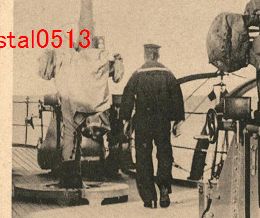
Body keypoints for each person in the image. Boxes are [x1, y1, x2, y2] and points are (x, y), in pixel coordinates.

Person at [39, 39, 124, 188]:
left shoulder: (63, 56)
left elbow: (45, 72)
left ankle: (70, 177)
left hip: (71, 100)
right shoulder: (102, 56)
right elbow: (117, 76)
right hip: (94, 102)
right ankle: (77, 176)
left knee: (70, 135)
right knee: (80, 134)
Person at [120, 44, 185, 208]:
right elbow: (177, 96)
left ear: (145, 55)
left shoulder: (138, 73)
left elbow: (127, 95)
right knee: (164, 154)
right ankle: (164, 189)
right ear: (157, 55)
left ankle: (149, 198)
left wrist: (126, 119)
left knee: (143, 157)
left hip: (143, 121)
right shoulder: (167, 73)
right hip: (162, 121)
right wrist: (178, 120)